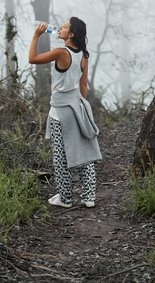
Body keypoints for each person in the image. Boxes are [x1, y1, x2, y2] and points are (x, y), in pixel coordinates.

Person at [29, 17, 101, 208]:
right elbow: (83, 84)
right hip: (77, 106)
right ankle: (89, 197)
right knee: (83, 151)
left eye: (65, 26)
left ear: (71, 35)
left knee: (61, 155)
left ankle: (65, 198)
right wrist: (80, 107)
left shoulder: (61, 52)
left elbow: (32, 59)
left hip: (60, 111)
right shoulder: (84, 55)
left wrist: (37, 35)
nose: (60, 27)